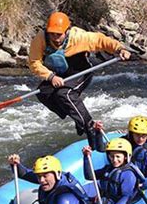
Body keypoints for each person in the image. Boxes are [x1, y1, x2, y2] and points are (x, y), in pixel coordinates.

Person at [28, 11, 131, 149]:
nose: (55, 38)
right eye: (52, 34)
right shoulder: (41, 39)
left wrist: (120, 49)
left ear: (67, 31)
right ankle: (77, 116)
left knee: (65, 94)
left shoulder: (78, 36)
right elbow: (34, 62)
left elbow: (101, 40)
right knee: (43, 93)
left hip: (81, 71)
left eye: (59, 34)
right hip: (58, 74)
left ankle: (90, 126)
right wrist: (50, 76)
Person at [82, 138, 138, 204]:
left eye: (118, 156)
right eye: (112, 156)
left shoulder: (128, 175)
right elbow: (89, 176)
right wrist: (86, 158)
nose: (114, 160)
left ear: (125, 157)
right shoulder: (108, 169)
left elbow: (125, 198)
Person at [95, 116, 147, 190]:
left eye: (143, 135)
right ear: (131, 133)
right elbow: (101, 149)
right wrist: (98, 133)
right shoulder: (124, 141)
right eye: (137, 135)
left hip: (134, 184)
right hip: (118, 176)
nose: (140, 139)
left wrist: (144, 183)